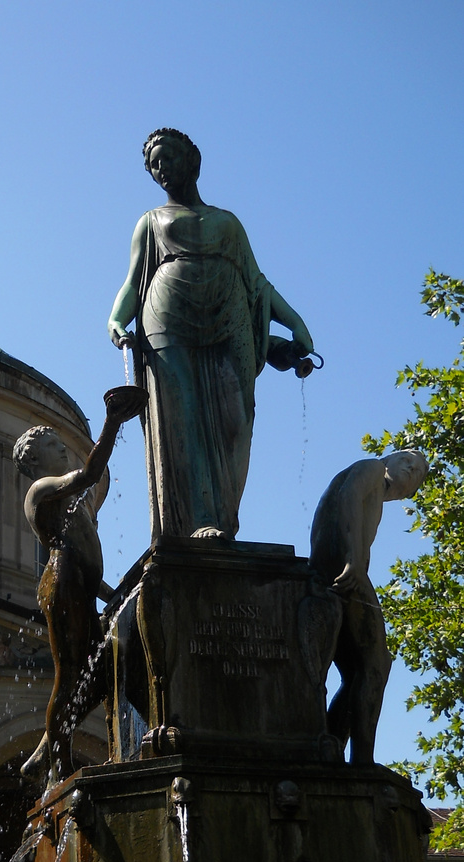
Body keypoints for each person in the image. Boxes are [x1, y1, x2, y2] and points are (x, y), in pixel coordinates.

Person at [108, 128, 314, 541]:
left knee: (235, 420)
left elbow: (257, 283)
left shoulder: (227, 223)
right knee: (182, 420)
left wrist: (295, 323)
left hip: (230, 318)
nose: (161, 168)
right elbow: (134, 282)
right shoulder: (150, 223)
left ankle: (226, 516)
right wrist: (116, 319)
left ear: (192, 160)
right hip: (167, 320)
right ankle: (203, 518)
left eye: (167, 158)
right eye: (154, 165)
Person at [13, 389, 145, 783]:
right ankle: (59, 761)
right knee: (70, 674)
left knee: (102, 674)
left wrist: (114, 594)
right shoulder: (40, 491)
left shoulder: (74, 505)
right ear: (35, 459)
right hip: (62, 585)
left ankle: (41, 754)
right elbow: (89, 474)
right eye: (54, 445)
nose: (63, 448)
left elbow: (87, 560)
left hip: (80, 586)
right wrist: (112, 423)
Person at [309, 451, 429, 764]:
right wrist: (352, 557)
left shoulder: (375, 491)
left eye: (417, 472)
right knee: (376, 664)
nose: (411, 469)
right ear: (391, 460)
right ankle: (361, 760)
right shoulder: (372, 468)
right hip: (343, 571)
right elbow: (349, 493)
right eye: (407, 461)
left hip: (331, 572)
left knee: (357, 672)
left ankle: (330, 745)